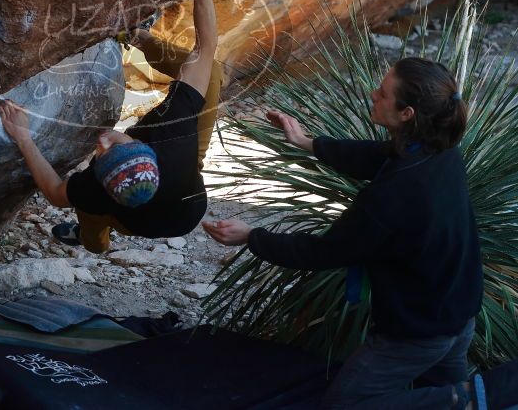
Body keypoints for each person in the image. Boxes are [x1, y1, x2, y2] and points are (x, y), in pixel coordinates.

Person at [203, 58, 485, 409]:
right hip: (458, 312)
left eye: (382, 93)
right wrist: (307, 142)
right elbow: (377, 156)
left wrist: (251, 236)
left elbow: (326, 252)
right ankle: (467, 398)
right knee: (449, 384)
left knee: (347, 402)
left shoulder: (394, 193)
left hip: (420, 330)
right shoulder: (440, 150)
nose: (373, 94)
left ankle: (460, 402)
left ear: (407, 113)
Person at [0, 0, 221, 253]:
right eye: (112, 146)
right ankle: (139, 37)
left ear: (102, 181)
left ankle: (94, 242)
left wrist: (24, 138)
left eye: (99, 156)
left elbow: (55, 192)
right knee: (210, 72)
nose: (101, 141)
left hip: (140, 222)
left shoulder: (94, 191)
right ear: (145, 148)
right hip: (188, 198)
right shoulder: (174, 136)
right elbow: (207, 46)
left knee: (89, 212)